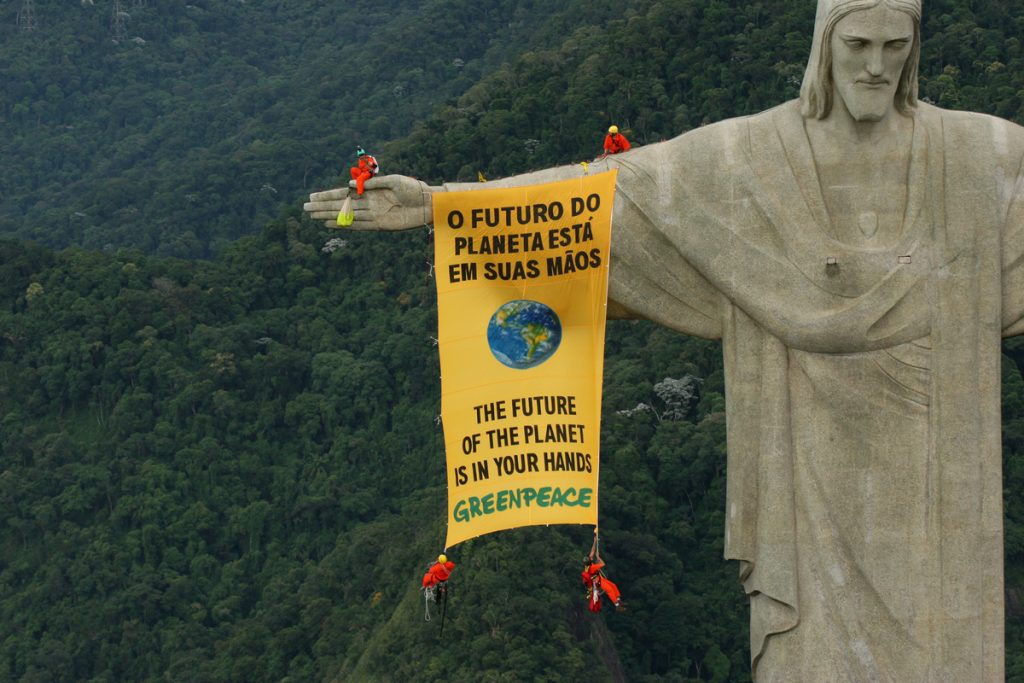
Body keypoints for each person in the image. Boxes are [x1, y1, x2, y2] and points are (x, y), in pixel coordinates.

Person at [306, 1, 1024, 678]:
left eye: (894, 47)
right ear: (824, 46)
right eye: (857, 45)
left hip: (936, 462)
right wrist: (442, 203)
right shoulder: (757, 155)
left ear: (915, 51)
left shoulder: (975, 155)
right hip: (803, 463)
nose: (875, 66)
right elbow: (604, 196)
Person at [581, 530, 623, 613]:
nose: (591, 557)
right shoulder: (592, 567)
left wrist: (595, 541)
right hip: (598, 582)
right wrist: (598, 557)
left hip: (600, 579)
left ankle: (618, 599)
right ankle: (616, 604)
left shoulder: (588, 565)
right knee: (609, 590)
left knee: (613, 585)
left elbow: (592, 551)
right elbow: (603, 564)